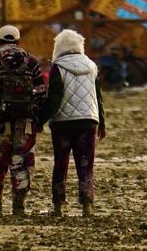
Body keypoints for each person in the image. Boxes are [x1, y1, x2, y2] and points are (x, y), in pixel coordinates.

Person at [0, 25, 47, 217]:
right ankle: (19, 207)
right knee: (22, 161)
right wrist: (36, 118)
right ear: (18, 41)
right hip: (25, 122)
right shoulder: (30, 61)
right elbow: (41, 93)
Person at [40, 29, 106, 217]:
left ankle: (58, 206)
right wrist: (102, 123)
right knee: (86, 164)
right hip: (88, 122)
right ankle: (87, 205)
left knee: (60, 162)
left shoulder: (57, 67)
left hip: (62, 123)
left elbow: (53, 99)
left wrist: (39, 121)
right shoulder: (92, 66)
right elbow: (98, 96)